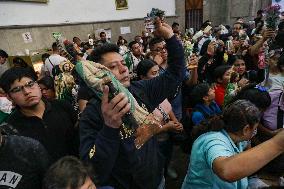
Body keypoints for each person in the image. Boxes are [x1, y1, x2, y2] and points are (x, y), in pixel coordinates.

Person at [79, 18, 185, 188]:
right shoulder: (91, 114)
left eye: (123, 63)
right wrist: (109, 127)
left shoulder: (139, 89)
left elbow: (175, 75)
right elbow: (93, 170)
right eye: (113, 67)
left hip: (157, 179)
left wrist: (171, 38)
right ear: (97, 75)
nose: (123, 69)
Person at [181, 100, 284, 189]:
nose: (255, 132)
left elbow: (247, 152)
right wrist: (277, 144)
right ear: (246, 129)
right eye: (255, 129)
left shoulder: (237, 137)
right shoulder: (213, 141)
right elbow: (226, 170)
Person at [0, 67, 79, 163]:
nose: (27, 92)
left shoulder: (62, 106)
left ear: (37, 85)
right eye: (17, 89)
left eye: (30, 84)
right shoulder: (11, 128)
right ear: (9, 97)